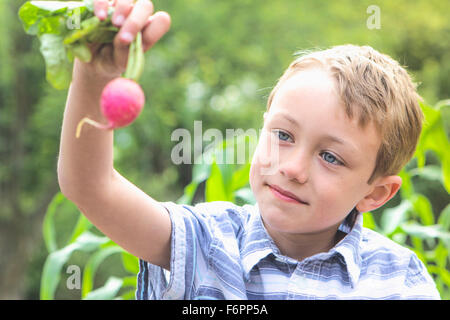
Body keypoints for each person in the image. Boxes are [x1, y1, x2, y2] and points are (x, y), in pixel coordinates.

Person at [57, 0, 440, 299]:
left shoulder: (399, 279)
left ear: (375, 193)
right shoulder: (203, 242)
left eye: (330, 157)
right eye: (283, 136)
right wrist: (94, 76)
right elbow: (92, 187)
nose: (292, 168)